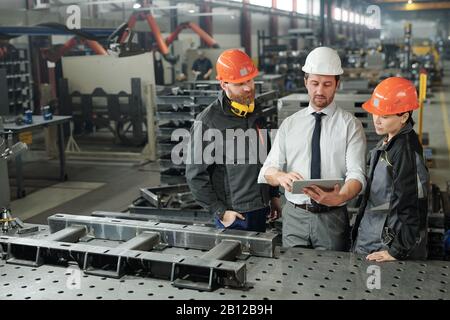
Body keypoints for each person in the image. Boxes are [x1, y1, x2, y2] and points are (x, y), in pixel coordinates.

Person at [258, 47, 367, 250]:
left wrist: (340, 197)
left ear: (337, 84)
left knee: (333, 276)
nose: (319, 91)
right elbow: (267, 170)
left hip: (332, 217)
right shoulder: (290, 124)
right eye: (315, 83)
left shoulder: (350, 125)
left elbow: (357, 175)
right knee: (293, 275)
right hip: (294, 217)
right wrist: (281, 177)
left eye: (327, 84)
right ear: (305, 81)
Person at [186, 49, 281, 232]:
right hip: (235, 216)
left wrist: (273, 195)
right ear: (223, 84)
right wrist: (220, 212)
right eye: (239, 84)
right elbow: (195, 175)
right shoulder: (208, 122)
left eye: (250, 80)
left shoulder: (255, 110)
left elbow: (266, 156)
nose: (248, 88)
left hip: (261, 207)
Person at [351, 77, 429, 262]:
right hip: (372, 233)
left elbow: (413, 205)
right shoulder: (391, 139)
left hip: (384, 244)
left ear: (404, 116)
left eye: (384, 116)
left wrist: (396, 251)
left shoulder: (405, 151)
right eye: (375, 113)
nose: (376, 120)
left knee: (373, 287)